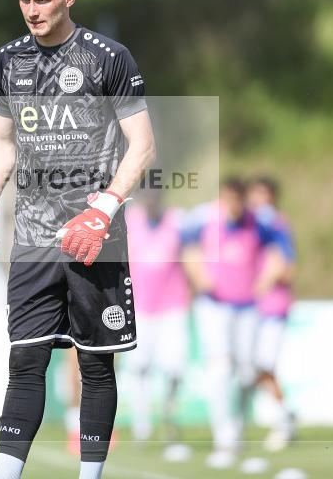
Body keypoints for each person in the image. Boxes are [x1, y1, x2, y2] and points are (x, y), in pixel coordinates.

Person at [0, 0, 155, 479]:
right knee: (25, 360)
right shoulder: (8, 60)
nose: (32, 9)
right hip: (33, 237)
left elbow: (142, 147)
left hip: (98, 237)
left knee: (94, 363)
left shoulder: (107, 58)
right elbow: (3, 143)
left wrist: (104, 208)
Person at [181, 177, 287, 469]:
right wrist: (200, 276)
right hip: (214, 306)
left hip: (247, 308)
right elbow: (187, 248)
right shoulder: (204, 219)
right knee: (220, 368)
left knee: (245, 371)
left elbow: (279, 252)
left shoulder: (259, 222)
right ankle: (223, 438)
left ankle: (237, 431)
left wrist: (263, 282)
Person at [123, 188, 192, 461]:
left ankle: (168, 414)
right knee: (139, 367)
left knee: (175, 368)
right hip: (140, 306)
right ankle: (142, 422)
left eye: (156, 200)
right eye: (147, 200)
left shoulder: (177, 221)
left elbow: (191, 256)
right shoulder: (131, 221)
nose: (152, 205)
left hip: (173, 306)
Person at [247, 175, 297, 451]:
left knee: (265, 365)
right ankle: (284, 415)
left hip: (272, 307)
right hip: (252, 309)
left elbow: (286, 267)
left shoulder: (277, 225)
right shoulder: (249, 227)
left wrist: (263, 283)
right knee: (252, 367)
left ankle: (284, 418)